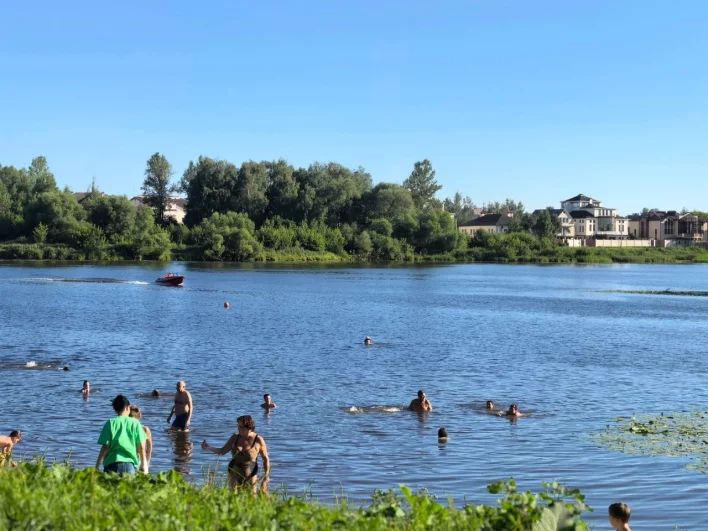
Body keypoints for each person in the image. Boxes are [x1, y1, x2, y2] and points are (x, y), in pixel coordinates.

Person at [202, 415, 270, 495]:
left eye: (240, 426)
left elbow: (265, 459)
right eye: (237, 426)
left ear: (249, 427)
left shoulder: (258, 440)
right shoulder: (235, 437)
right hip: (233, 471)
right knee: (234, 497)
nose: (238, 428)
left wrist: (266, 477)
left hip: (250, 473)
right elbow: (222, 451)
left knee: (251, 498)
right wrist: (209, 447)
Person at [96, 395, 147, 474]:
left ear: (115, 409)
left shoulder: (110, 423)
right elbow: (142, 447)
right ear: (127, 408)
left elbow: (105, 447)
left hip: (111, 464)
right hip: (129, 465)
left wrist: (97, 464)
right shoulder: (135, 424)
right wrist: (143, 465)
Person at [129, 405, 152, 471]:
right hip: (136, 458)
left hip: (138, 458)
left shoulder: (145, 429)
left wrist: (147, 462)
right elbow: (149, 448)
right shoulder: (145, 429)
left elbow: (149, 448)